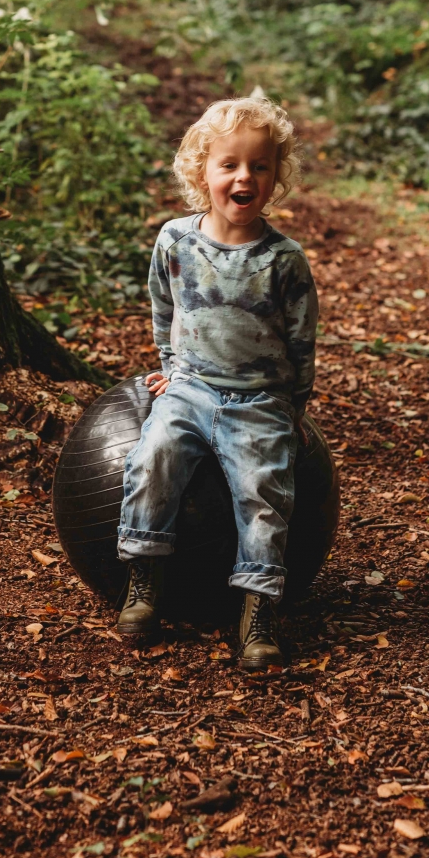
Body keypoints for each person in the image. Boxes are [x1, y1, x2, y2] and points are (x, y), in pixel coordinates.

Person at [116, 96, 318, 670]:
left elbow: (302, 341)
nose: (243, 177)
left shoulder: (285, 260)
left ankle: (258, 611)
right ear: (201, 170)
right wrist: (171, 366)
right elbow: (164, 306)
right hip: (191, 386)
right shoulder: (175, 241)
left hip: (259, 400)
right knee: (152, 458)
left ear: (276, 176)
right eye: (229, 164)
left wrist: (293, 408)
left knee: (263, 496)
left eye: (259, 165)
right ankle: (144, 579)